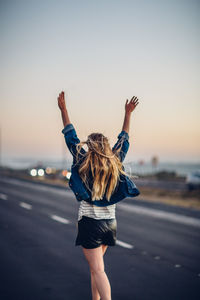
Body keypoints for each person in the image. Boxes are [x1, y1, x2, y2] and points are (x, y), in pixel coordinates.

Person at [57, 91, 139, 300]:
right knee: (95, 269)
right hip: (109, 223)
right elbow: (124, 139)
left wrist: (64, 110)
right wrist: (128, 114)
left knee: (99, 270)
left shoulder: (82, 161)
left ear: (90, 146)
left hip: (90, 224)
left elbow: (70, 136)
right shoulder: (115, 161)